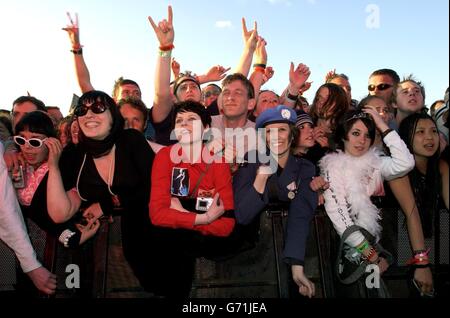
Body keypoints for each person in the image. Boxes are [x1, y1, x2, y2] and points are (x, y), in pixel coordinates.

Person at [56, 90, 157, 295]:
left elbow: (153, 187)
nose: (89, 114)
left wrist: (104, 205)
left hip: (152, 245)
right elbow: (53, 203)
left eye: (98, 108)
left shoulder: (132, 140)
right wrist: (71, 229)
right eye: (82, 110)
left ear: (113, 115)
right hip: (100, 253)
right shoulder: (73, 155)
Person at [319, 108, 415, 297]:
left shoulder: (376, 163)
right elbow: (339, 215)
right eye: (355, 133)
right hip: (346, 251)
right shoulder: (333, 167)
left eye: (367, 135)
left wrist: (382, 126)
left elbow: (406, 163)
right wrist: (370, 253)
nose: (361, 140)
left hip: (377, 245)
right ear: (344, 135)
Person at [149, 100, 235, 298]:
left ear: (206, 129)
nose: (184, 124)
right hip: (173, 247)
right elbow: (157, 214)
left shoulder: (218, 161)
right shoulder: (164, 157)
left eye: (191, 120)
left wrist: (183, 215)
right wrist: (204, 219)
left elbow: (227, 223)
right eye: (179, 121)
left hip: (209, 246)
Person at [233, 105, 318, 298]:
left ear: (292, 134)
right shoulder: (252, 160)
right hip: (255, 258)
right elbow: (242, 215)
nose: (276, 136)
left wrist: (297, 266)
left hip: (292, 250)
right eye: (270, 131)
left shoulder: (305, 168)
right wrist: (260, 180)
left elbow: (301, 213)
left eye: (282, 130)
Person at [398, 113, 449, 296]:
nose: (429, 137)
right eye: (420, 132)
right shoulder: (398, 170)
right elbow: (412, 214)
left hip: (439, 249)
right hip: (404, 251)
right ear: (405, 138)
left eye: (434, 131)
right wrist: (422, 262)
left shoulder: (441, 166)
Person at [0, 141, 57, 295]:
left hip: (49, 250)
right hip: (12, 253)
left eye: (35, 140)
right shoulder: (12, 159)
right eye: (21, 139)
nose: (27, 146)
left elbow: (6, 210)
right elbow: (5, 211)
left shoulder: (61, 165)